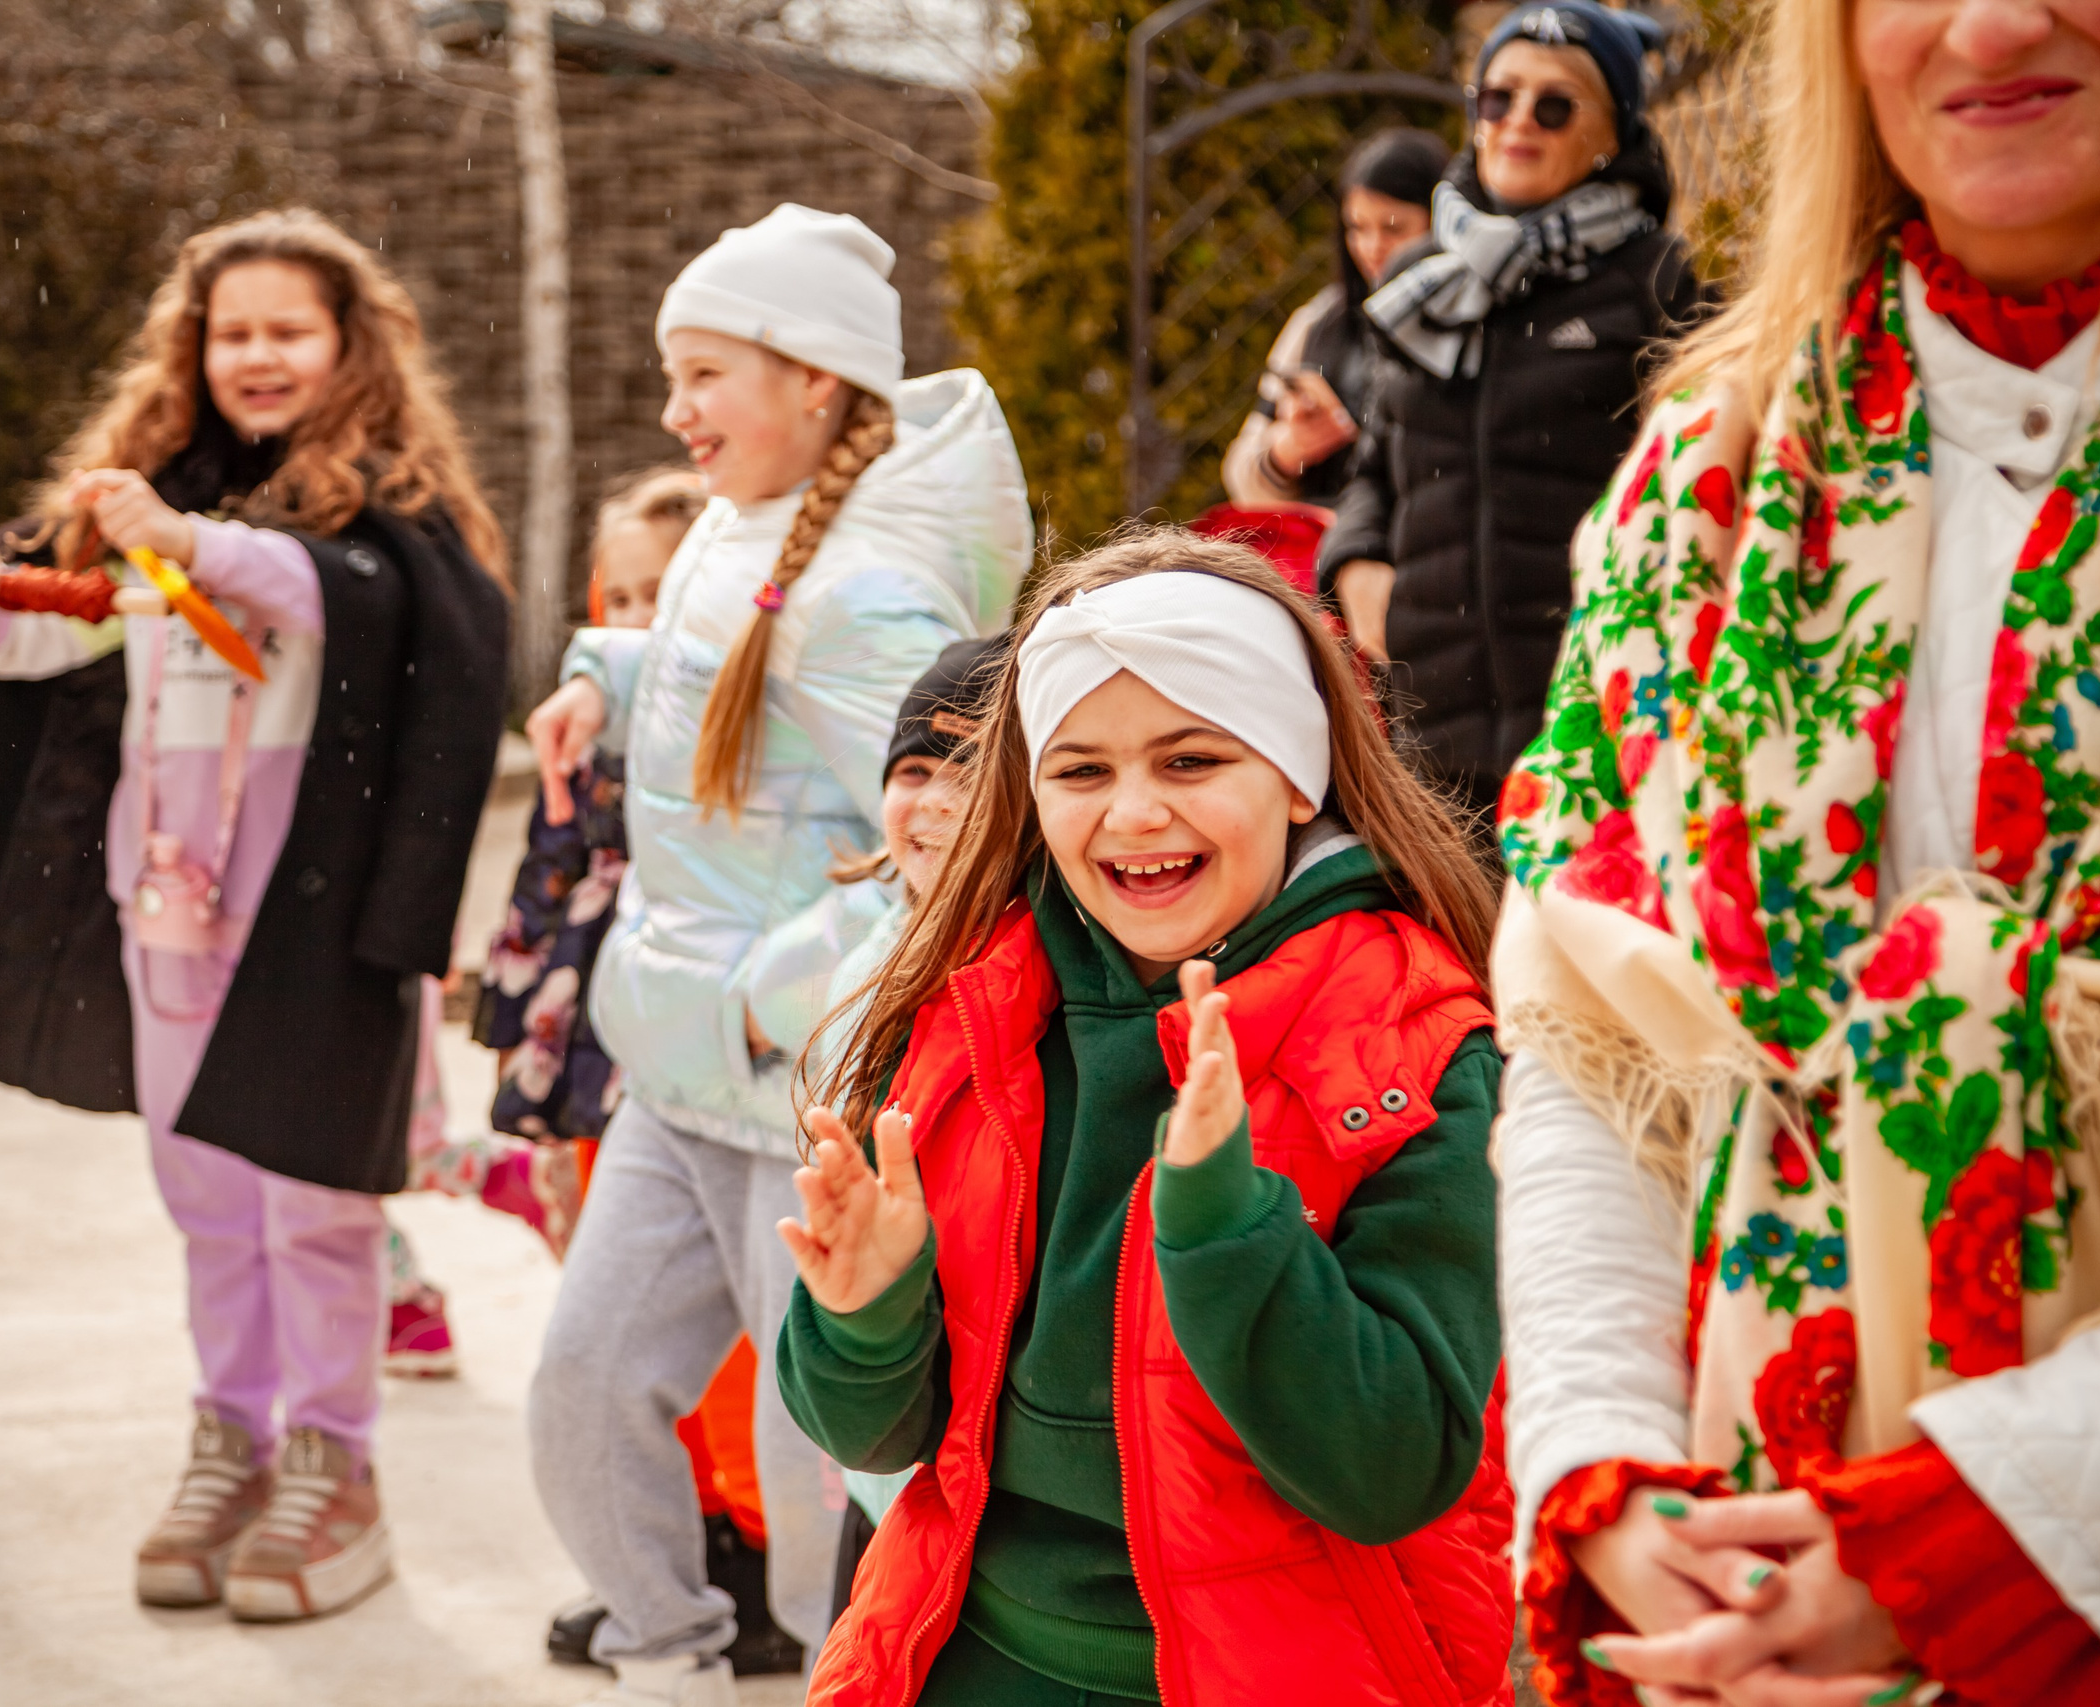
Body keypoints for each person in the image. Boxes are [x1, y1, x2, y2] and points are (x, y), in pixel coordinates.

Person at [1488, 0, 2100, 1693]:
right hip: (1744, 1600)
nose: (1992, 24)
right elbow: (1593, 1049)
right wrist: (1609, 1474)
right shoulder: (1709, 479)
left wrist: (2007, 1521)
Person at [0, 208, 508, 1622]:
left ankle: (336, 1459)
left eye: (287, 329)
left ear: (349, 346)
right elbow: (48, 623)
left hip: (312, 929)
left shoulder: (382, 509)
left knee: (312, 1204)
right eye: (230, 329)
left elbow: (365, 603)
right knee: (207, 1200)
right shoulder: (145, 499)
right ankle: (234, 1440)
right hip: (169, 919)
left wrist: (187, 538)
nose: (256, 354)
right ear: (192, 350)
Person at [779, 534, 1512, 1707]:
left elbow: (1393, 1466)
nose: (1132, 814)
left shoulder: (1409, 1038)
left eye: (1189, 758)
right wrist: (865, 1319)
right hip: (967, 1654)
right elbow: (875, 1439)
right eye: (1078, 771)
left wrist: (1227, 1228)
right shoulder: (977, 998)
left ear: (1295, 770)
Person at [521, 202, 1032, 1707]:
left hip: (783, 1089)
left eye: (705, 374)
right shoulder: (754, 525)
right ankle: (666, 1654)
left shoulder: (865, 587)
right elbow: (718, 685)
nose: (674, 410)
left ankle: (850, 1676)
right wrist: (598, 682)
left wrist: (766, 1000)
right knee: (585, 1383)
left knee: (831, 1469)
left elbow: (954, 846)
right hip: (675, 1078)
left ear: (816, 381)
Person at [1319, 0, 1702, 823]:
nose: (1517, 121)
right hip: (1429, 728)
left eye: (1555, 104)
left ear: (1614, 133)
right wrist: (1354, 559)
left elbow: (1697, 491)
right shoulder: (1425, 276)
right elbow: (1378, 465)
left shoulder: (1661, 282)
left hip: (1591, 721)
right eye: (1497, 97)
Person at [384, 465, 709, 1380]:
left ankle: (699, 1443)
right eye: (625, 596)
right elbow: (548, 865)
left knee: (669, 1218)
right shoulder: (585, 721)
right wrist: (513, 996)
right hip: (584, 1000)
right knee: (592, 1198)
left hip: (671, 1001)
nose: (641, 618)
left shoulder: (720, 725)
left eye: (667, 595)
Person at [796, 633, 1004, 1624]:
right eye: (911, 770)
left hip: (977, 1457)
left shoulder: (1024, 979)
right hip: (883, 1429)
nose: (928, 802)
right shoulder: (866, 969)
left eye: (967, 773)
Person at [1219, 127, 1450, 512]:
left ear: (1439, 222)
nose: (1372, 247)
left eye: (1393, 228)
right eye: (1356, 228)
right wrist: (1287, 452)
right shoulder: (1318, 321)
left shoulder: (1474, 318)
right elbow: (1240, 474)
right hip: (1322, 550)